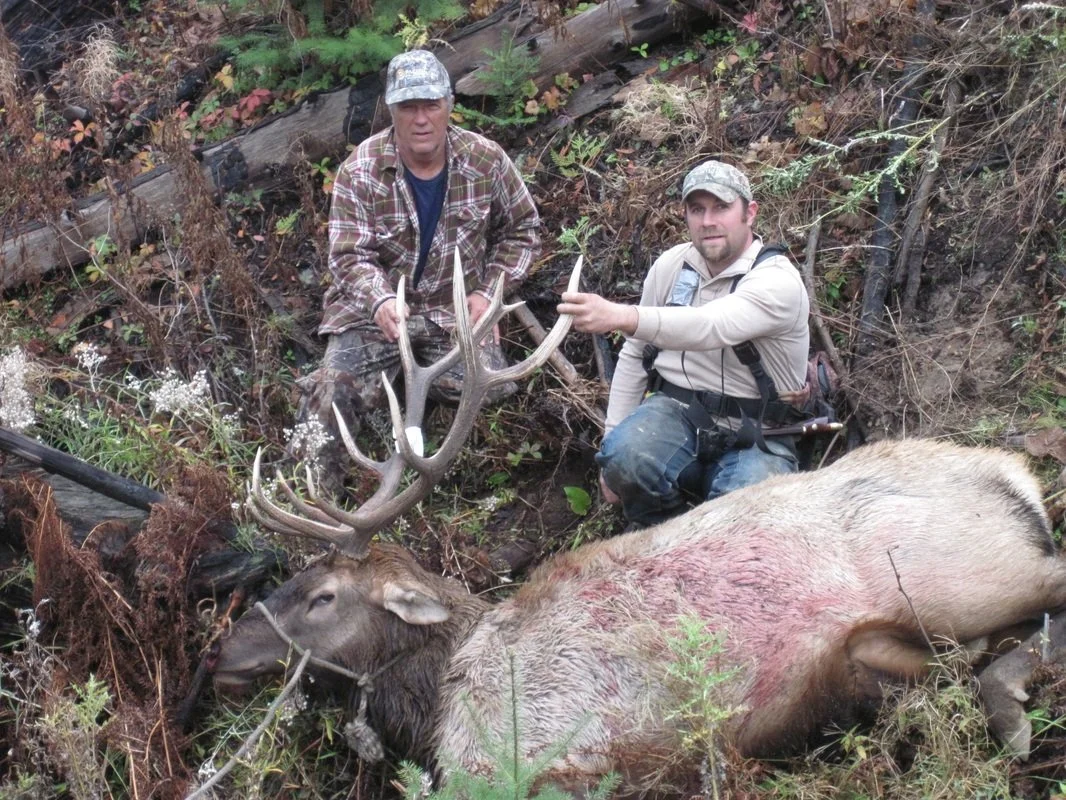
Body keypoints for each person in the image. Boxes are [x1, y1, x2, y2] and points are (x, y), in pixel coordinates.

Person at [297, 49, 541, 488]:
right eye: (409, 107)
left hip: (453, 315)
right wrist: (380, 300)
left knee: (491, 389)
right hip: (375, 318)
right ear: (392, 111)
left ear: (449, 105)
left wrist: (489, 292)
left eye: (431, 104)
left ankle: (418, 427)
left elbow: (523, 229)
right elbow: (348, 256)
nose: (422, 118)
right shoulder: (360, 171)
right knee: (330, 392)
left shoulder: (486, 160)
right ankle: (314, 501)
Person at [557, 160, 810, 527]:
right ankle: (658, 530)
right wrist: (610, 444)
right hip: (677, 415)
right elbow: (634, 354)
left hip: (760, 434)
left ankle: (708, 535)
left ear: (749, 213)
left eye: (721, 208)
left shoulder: (777, 281)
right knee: (624, 459)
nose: (708, 221)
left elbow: (711, 325)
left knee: (742, 523)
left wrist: (623, 316)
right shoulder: (671, 265)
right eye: (697, 209)